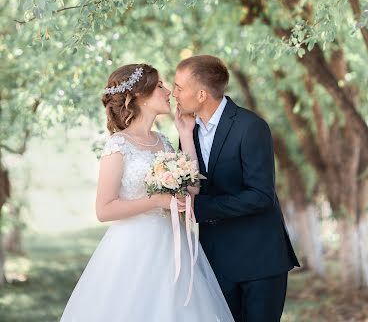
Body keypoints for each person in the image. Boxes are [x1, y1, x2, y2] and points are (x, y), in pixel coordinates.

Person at [59, 63, 234, 322]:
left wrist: (186, 134)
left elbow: (193, 187)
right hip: (134, 248)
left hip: (173, 244)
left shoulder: (161, 140)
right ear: (140, 96)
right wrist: (158, 200)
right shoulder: (118, 145)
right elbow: (104, 209)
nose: (169, 92)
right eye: (161, 86)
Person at [173, 55, 300, 322]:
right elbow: (186, 184)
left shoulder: (250, 126)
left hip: (259, 259)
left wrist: (202, 208)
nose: (174, 94)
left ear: (201, 94)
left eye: (179, 87)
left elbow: (261, 196)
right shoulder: (188, 131)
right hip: (214, 262)